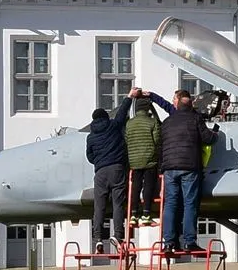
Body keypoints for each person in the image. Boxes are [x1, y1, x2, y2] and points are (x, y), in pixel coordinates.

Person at [145, 88, 218, 255]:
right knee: (189, 204)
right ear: (190, 103)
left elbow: (161, 146)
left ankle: (169, 242)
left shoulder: (168, 122)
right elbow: (208, 138)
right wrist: (216, 134)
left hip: (170, 168)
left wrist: (161, 168)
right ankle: (189, 241)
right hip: (190, 167)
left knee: (170, 204)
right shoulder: (195, 119)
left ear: (177, 102)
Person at [86, 87, 139, 253]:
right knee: (118, 203)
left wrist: (99, 161)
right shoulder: (113, 126)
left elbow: (90, 156)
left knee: (99, 206)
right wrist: (129, 96)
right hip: (117, 168)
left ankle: (98, 240)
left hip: (100, 172)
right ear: (105, 117)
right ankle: (117, 235)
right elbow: (123, 112)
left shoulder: (91, 136)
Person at [124, 95, 163, 227]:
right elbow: (157, 140)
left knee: (135, 186)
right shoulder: (152, 122)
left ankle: (133, 214)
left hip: (134, 160)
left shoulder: (129, 123)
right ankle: (146, 213)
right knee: (148, 186)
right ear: (147, 109)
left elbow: (127, 139)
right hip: (149, 159)